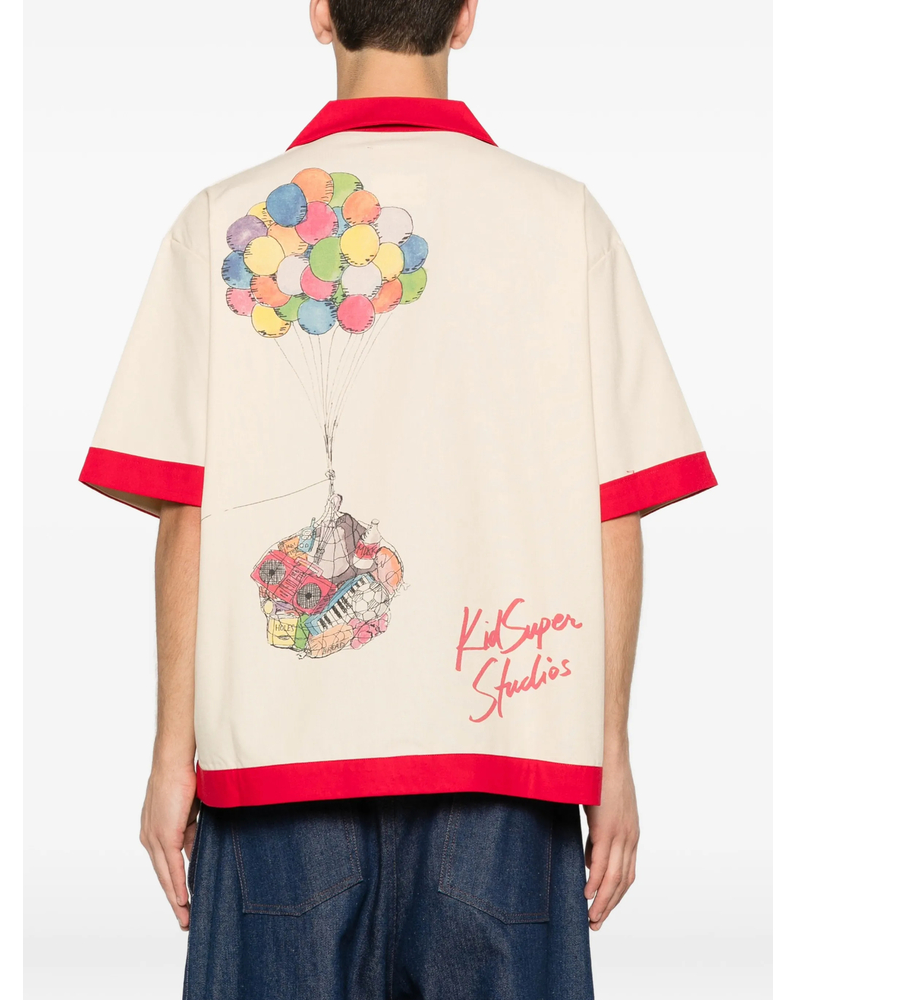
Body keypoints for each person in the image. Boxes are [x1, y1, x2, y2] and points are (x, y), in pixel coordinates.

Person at [78, 1, 717, 996]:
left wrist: (171, 754)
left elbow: (187, 508)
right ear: (465, 19)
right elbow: (615, 507)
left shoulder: (219, 216)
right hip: (503, 759)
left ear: (319, 13)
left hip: (280, 762)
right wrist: (609, 753)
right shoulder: (563, 219)